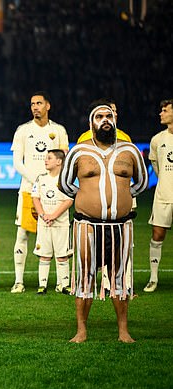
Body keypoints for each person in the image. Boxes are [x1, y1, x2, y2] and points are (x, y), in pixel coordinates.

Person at [59, 104, 148, 343]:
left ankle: (123, 331)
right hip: (87, 224)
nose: (105, 120)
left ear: (115, 120)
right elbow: (65, 184)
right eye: (99, 116)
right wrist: (87, 198)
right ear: (91, 123)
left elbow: (141, 183)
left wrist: (123, 198)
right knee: (84, 276)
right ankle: (81, 331)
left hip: (120, 225)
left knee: (119, 276)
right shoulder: (78, 151)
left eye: (109, 116)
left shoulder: (129, 150)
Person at [10, 91, 69, 293]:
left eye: (39, 103)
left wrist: (52, 182)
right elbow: (17, 162)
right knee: (23, 234)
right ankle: (19, 281)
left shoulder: (59, 130)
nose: (35, 107)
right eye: (32, 104)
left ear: (48, 106)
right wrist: (36, 180)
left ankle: (61, 281)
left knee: (59, 234)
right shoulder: (23, 130)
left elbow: (65, 158)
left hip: (56, 192)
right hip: (29, 190)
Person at [31, 149, 73, 295]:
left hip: (61, 224)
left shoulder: (65, 180)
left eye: (49, 158)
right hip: (44, 223)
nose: (45, 160)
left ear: (59, 161)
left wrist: (54, 215)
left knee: (62, 255)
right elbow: (35, 197)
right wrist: (43, 215)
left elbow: (69, 200)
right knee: (44, 254)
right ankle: (42, 285)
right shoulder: (41, 178)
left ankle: (64, 285)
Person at [144, 98, 173, 292]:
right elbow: (156, 167)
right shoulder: (157, 139)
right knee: (157, 235)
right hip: (164, 194)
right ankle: (153, 278)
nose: (160, 113)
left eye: (165, 110)